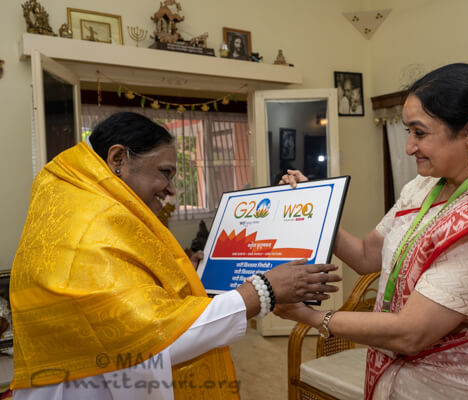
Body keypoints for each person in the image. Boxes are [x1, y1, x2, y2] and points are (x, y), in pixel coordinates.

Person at [277, 63, 468, 399]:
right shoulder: (425, 187)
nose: (409, 147)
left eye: (419, 133)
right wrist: (316, 208)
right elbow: (366, 256)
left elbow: (410, 333)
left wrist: (312, 316)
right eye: (408, 132)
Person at [10, 112, 341, 399]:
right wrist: (263, 291)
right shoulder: (90, 228)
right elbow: (151, 337)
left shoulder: (86, 207)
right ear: (118, 159)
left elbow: (131, 298)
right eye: (165, 172)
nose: (171, 189)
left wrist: (194, 279)